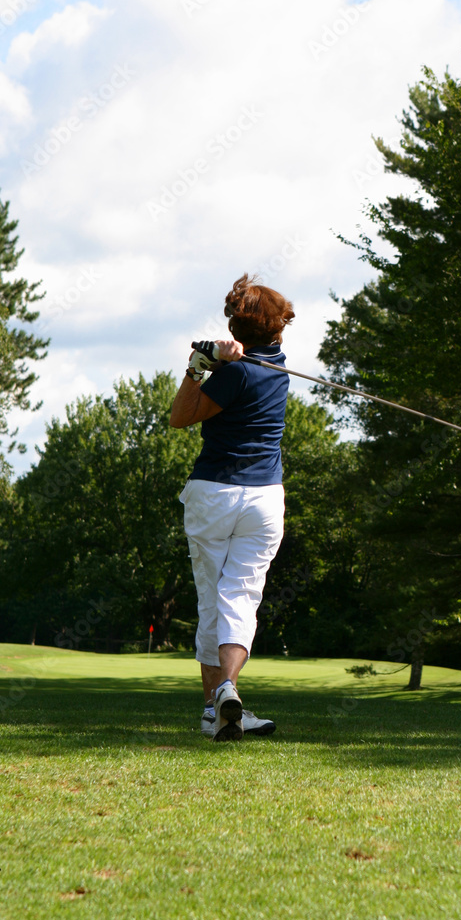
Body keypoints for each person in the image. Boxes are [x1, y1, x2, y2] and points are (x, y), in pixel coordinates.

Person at [169, 274, 294, 741]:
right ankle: (226, 698)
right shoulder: (279, 366)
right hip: (264, 500)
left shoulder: (235, 372)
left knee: (210, 600)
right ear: (274, 332)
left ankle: (216, 700)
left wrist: (200, 363)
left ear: (237, 328)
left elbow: (180, 416)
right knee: (241, 597)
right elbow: (259, 349)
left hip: (214, 494)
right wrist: (222, 356)